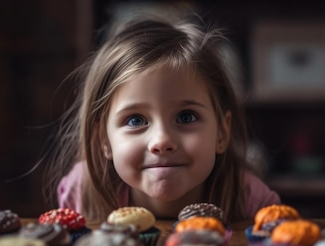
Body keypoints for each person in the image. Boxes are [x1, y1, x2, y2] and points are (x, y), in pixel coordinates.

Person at [44, 12, 281, 222]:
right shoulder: (83, 191)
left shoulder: (252, 202)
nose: (162, 141)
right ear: (104, 141)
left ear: (222, 132)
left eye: (186, 117)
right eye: (135, 120)